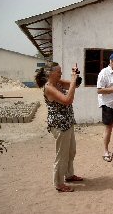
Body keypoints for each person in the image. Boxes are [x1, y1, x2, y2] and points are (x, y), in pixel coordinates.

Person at [35, 62, 83, 192]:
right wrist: (73, 80)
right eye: (58, 72)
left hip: (67, 122)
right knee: (61, 154)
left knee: (71, 151)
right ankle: (58, 183)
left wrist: (76, 76)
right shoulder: (49, 87)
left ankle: (68, 174)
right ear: (50, 73)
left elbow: (75, 85)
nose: (61, 73)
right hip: (59, 125)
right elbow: (67, 100)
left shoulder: (58, 82)